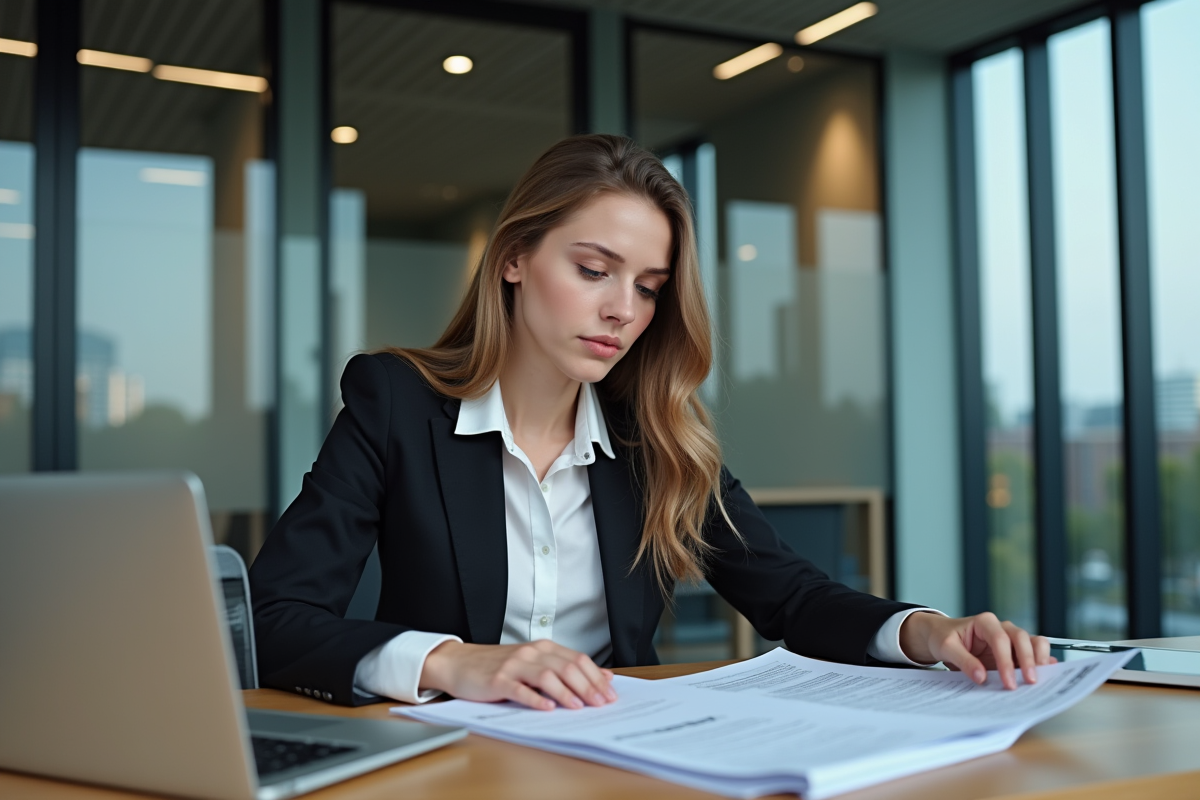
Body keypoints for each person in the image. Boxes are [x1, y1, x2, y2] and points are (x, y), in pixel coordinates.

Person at [249, 134, 1054, 711]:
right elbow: (277, 618)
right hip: (446, 761)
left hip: (618, 751)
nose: (620, 310)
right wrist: (457, 664)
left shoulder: (652, 436)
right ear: (514, 258)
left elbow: (794, 599)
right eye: (594, 270)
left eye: (648, 286)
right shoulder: (395, 404)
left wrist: (927, 632)